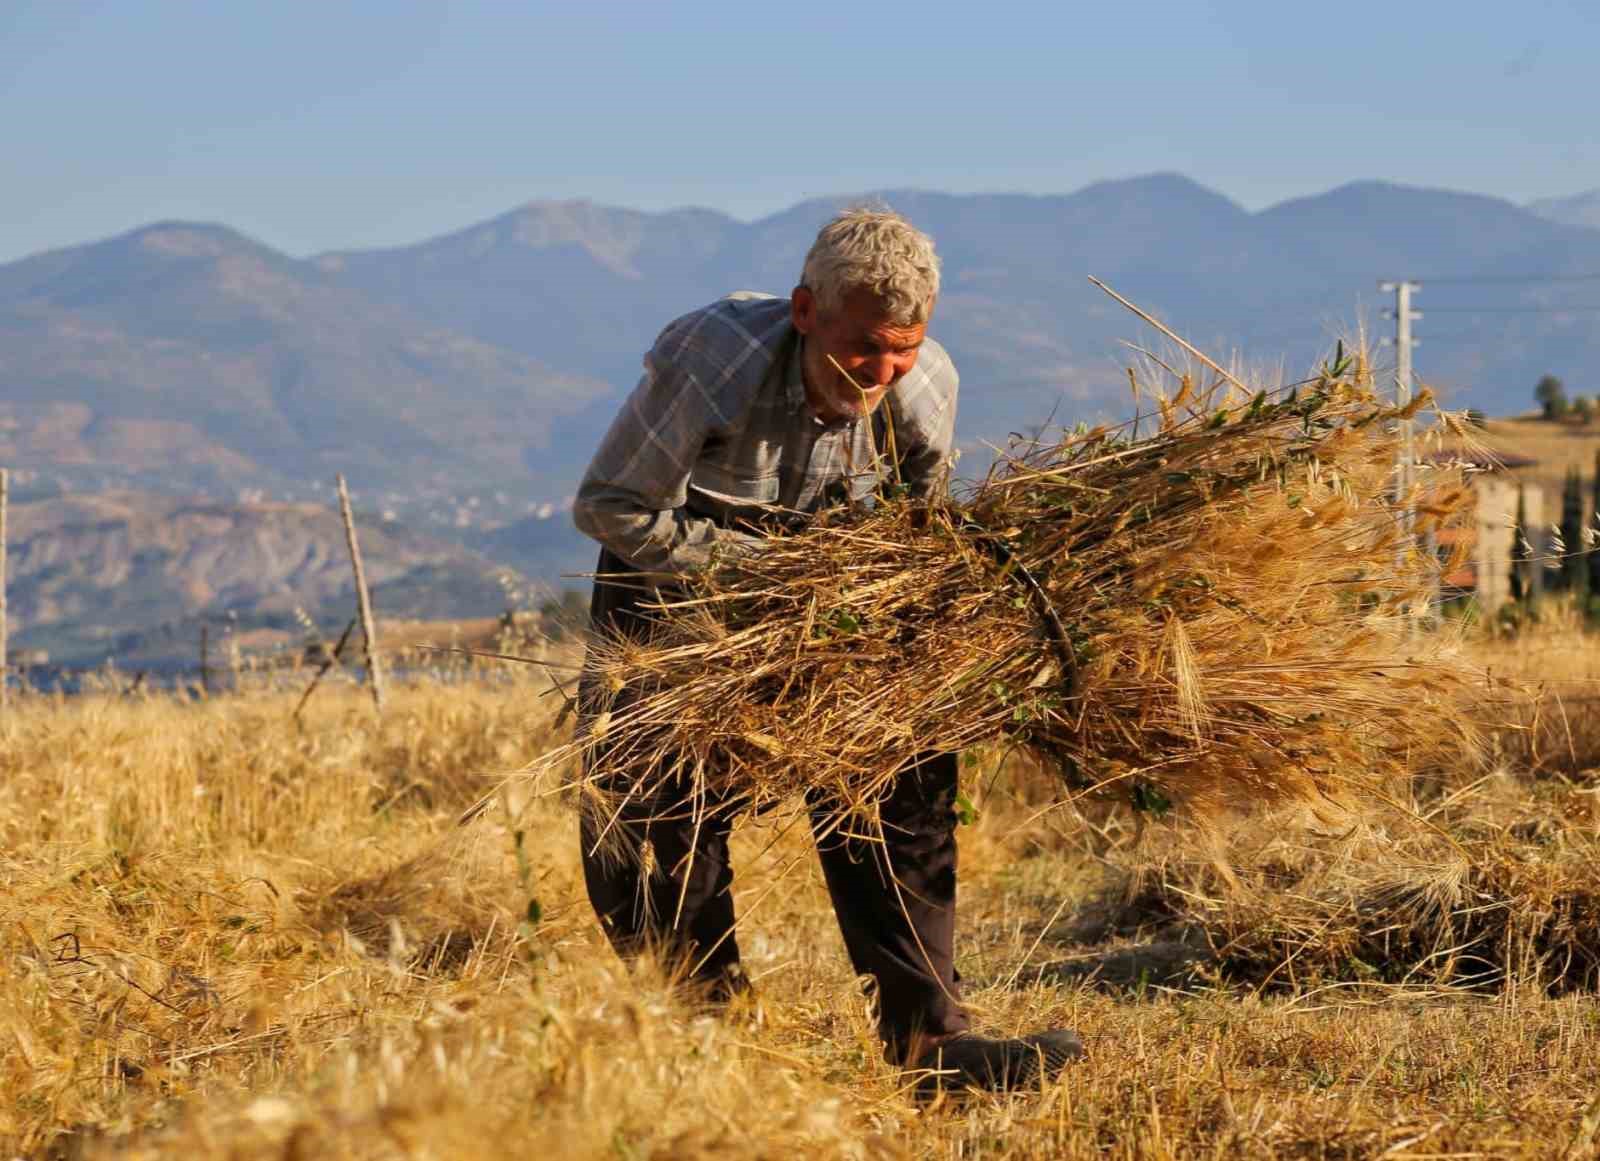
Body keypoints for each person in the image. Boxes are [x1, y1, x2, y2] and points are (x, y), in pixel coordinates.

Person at [571, 208, 1083, 1095]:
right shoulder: (713, 360)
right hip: (673, 585)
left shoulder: (925, 394)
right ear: (806, 311)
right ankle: (708, 1048)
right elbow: (611, 504)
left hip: (834, 601)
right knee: (649, 806)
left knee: (904, 773)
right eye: (865, 348)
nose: (882, 374)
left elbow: (926, 540)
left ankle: (933, 1043)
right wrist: (764, 572)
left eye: (904, 350)